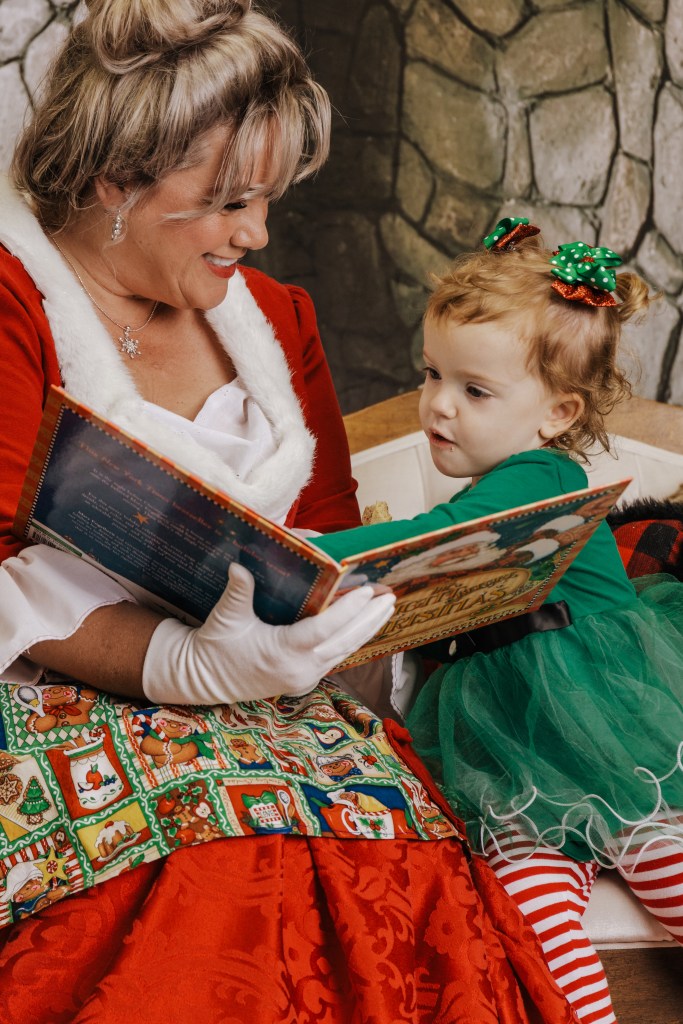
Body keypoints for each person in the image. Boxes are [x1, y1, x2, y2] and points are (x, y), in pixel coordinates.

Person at [0, 4, 577, 1020]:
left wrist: (368, 621)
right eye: (228, 201)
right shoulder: (12, 302)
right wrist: (185, 668)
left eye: (267, 198)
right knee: (218, 883)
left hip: (286, 705)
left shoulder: (279, 318)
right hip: (57, 696)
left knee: (399, 881)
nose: (257, 234)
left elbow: (333, 537)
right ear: (113, 177)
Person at [315, 216, 683, 1024]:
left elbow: (425, 540)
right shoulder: (487, 488)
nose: (437, 405)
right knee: (533, 925)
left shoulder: (540, 475)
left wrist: (300, 549)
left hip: (609, 729)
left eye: (473, 391)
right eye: (431, 374)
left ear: (557, 413)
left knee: (666, 862)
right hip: (506, 752)